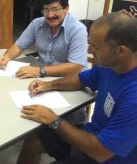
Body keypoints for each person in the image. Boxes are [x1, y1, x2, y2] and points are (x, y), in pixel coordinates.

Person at [19, 11, 137, 164]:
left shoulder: (133, 97)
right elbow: (80, 79)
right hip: (90, 139)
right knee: (33, 141)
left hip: (104, 157)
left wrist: (54, 120)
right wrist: (47, 85)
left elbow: (100, 152)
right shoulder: (110, 66)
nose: (89, 51)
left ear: (121, 51)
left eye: (95, 47)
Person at [0, 0, 87, 79]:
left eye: (55, 9)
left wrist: (40, 71)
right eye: (46, 10)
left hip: (67, 79)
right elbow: (19, 46)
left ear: (66, 8)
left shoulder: (77, 30)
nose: (50, 15)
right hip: (42, 75)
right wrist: (6, 57)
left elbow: (76, 67)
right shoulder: (37, 23)